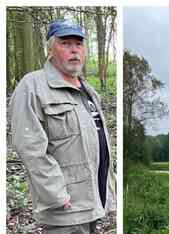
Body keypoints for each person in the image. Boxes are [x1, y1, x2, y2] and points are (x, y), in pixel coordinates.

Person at [9, 19, 116, 234]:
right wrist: (57, 195)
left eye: (78, 44)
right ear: (50, 49)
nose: (74, 50)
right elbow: (30, 148)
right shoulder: (32, 86)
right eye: (65, 43)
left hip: (95, 202)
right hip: (66, 210)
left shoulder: (88, 91)